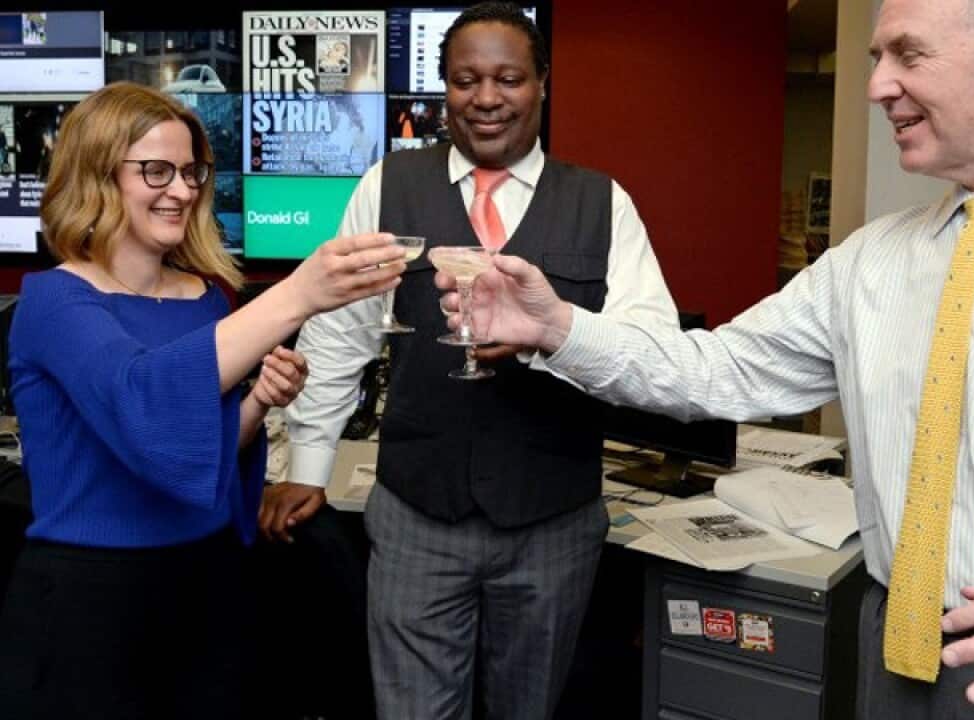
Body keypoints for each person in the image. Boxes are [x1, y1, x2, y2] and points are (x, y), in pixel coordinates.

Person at [440, 0, 974, 718]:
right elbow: (713, 369)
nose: (878, 83)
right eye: (878, 55)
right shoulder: (869, 261)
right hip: (897, 663)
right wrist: (557, 328)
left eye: (906, 53)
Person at [268, 3, 678, 718]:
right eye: (466, 80)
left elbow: (652, 355)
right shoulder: (386, 185)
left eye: (508, 78)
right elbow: (342, 332)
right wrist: (306, 467)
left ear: (543, 83)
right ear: (444, 90)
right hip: (416, 514)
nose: (486, 98)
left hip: (552, 520)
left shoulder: (603, 203)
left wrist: (548, 340)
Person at [0, 81, 405, 720]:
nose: (183, 190)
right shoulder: (53, 301)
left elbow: (195, 446)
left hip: (209, 585)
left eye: (191, 171)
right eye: (156, 171)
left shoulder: (206, 298)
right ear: (97, 175)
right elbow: (144, 406)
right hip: (91, 602)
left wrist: (256, 406)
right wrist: (298, 294)